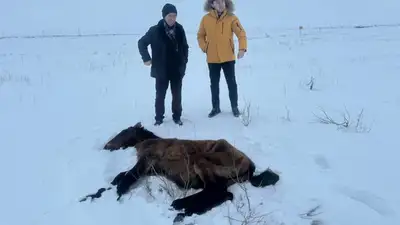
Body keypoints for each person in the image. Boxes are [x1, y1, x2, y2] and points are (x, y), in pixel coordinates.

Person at [138, 3, 189, 126]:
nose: (172, 18)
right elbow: (141, 43)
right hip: (161, 69)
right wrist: (146, 58)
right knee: (160, 95)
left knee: (177, 95)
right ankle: (159, 118)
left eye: (174, 16)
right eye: (170, 16)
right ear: (164, 16)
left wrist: (184, 61)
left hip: (176, 69)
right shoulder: (155, 30)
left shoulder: (180, 29)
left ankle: (177, 116)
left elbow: (185, 47)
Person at [197, 0, 247, 118]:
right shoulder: (206, 19)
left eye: (222, 2)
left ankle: (234, 107)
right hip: (212, 58)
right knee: (214, 84)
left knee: (231, 83)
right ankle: (215, 108)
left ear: (226, 4)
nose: (220, 4)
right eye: (217, 2)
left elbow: (241, 34)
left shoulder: (231, 18)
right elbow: (200, 35)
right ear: (212, 4)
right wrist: (205, 47)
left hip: (228, 57)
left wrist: (242, 48)